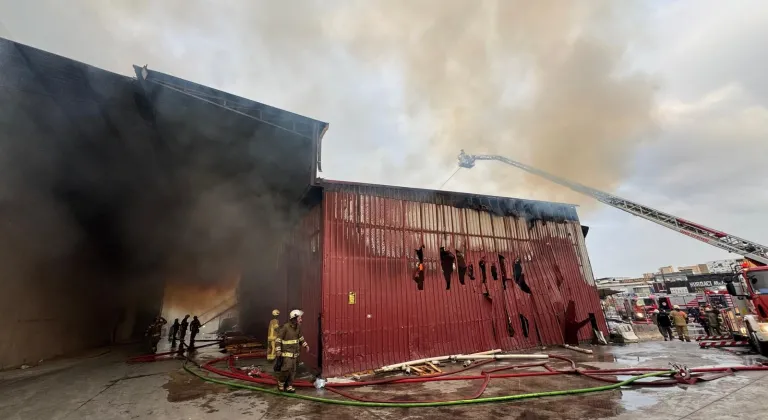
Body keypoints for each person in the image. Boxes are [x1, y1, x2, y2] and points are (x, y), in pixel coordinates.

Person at [275, 309, 310, 393]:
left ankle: (289, 386)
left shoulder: (298, 327)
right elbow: (278, 340)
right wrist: (278, 350)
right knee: (286, 369)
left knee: (293, 371)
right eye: (300, 318)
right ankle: (281, 382)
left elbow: (300, 338)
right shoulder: (285, 327)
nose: (301, 320)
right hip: (287, 353)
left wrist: (305, 345)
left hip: (295, 354)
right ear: (294, 318)